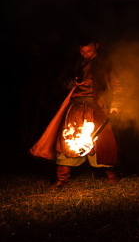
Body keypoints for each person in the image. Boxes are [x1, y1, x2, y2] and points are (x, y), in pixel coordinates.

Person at [30, 38, 123, 189]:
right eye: (82, 51)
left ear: (96, 46)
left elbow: (117, 84)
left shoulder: (105, 63)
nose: (85, 54)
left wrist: (116, 105)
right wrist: (73, 80)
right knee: (67, 140)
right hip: (75, 108)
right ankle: (61, 179)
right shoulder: (74, 62)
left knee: (103, 144)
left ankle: (112, 175)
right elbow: (62, 82)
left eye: (89, 51)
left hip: (97, 109)